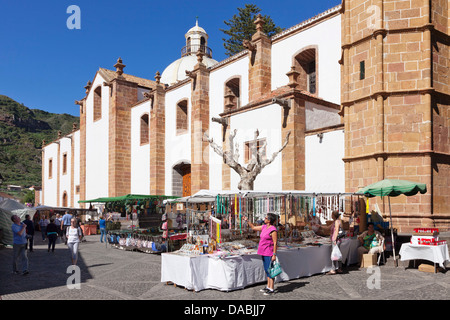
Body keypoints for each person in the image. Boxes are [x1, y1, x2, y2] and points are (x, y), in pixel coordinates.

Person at [243, 212, 278, 296]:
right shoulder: (264, 227)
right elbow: (253, 227)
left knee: (270, 270)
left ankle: (271, 288)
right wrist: (247, 220)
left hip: (269, 252)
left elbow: (275, 242)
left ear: (269, 220)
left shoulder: (273, 229)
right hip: (263, 251)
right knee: (266, 270)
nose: (264, 219)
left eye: (266, 218)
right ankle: (268, 286)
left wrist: (274, 254)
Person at [327, 210, 344, 275]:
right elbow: (328, 228)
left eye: (332, 214)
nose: (331, 215)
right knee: (337, 254)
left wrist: (334, 240)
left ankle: (333, 269)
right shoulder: (337, 221)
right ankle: (339, 268)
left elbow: (336, 231)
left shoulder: (336, 222)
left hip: (336, 240)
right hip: (337, 240)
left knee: (334, 254)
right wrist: (320, 226)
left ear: (334, 215)